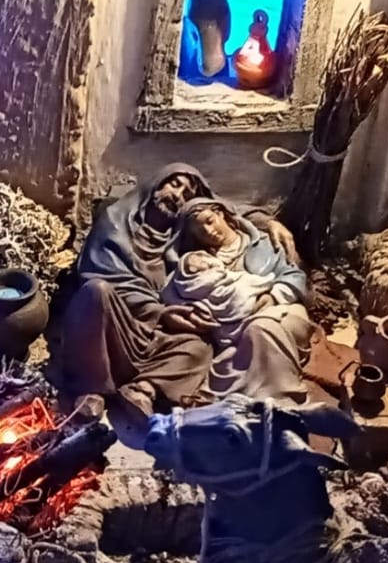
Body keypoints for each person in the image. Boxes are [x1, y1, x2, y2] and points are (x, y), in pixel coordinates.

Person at [61, 163, 304, 430]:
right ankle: (92, 390)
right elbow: (107, 278)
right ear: (156, 183)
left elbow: (222, 211)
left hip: (159, 328)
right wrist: (159, 313)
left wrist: (268, 222)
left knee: (201, 345)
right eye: (174, 184)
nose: (178, 195)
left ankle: (143, 390)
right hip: (118, 323)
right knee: (95, 292)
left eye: (187, 194)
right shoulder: (115, 222)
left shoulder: (178, 233)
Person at [167, 198, 313, 403]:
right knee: (237, 346)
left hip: (282, 308)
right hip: (235, 327)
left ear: (220, 214)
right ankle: (249, 403)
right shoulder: (200, 261)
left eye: (209, 221)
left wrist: (273, 296)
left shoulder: (264, 242)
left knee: (261, 328)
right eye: (200, 231)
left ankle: (283, 396)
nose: (208, 231)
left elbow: (295, 275)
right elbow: (178, 291)